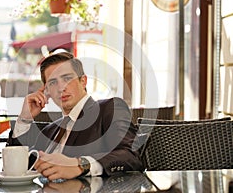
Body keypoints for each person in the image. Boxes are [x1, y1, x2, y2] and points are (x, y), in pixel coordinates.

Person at [7, 50, 144, 180]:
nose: (61, 88)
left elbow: (131, 155)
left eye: (67, 78)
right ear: (47, 90)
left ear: (83, 81)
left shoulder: (109, 109)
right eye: (53, 82)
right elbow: (14, 169)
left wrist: (80, 164)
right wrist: (24, 119)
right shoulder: (49, 131)